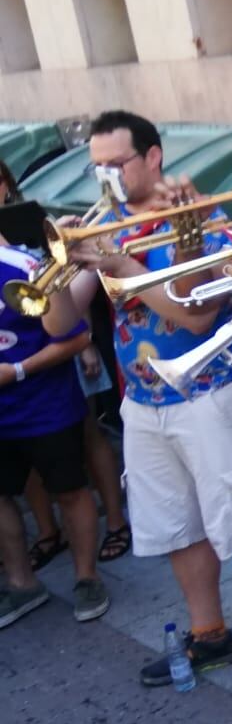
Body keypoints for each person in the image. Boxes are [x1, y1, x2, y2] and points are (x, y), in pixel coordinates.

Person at [61, 110, 232, 700]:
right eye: (97, 167)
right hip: (142, 400)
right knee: (176, 525)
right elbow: (60, 321)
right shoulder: (105, 225)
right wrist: (61, 266)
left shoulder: (198, 218)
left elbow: (194, 313)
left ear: (154, 156)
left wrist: (124, 266)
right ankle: (208, 632)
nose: (105, 177)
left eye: (117, 164)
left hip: (208, 392)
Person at [0, 240, 108, 626]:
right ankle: (21, 584)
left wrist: (18, 371)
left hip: (45, 405)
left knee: (70, 490)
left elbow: (74, 338)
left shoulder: (25, 265)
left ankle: (87, 578)